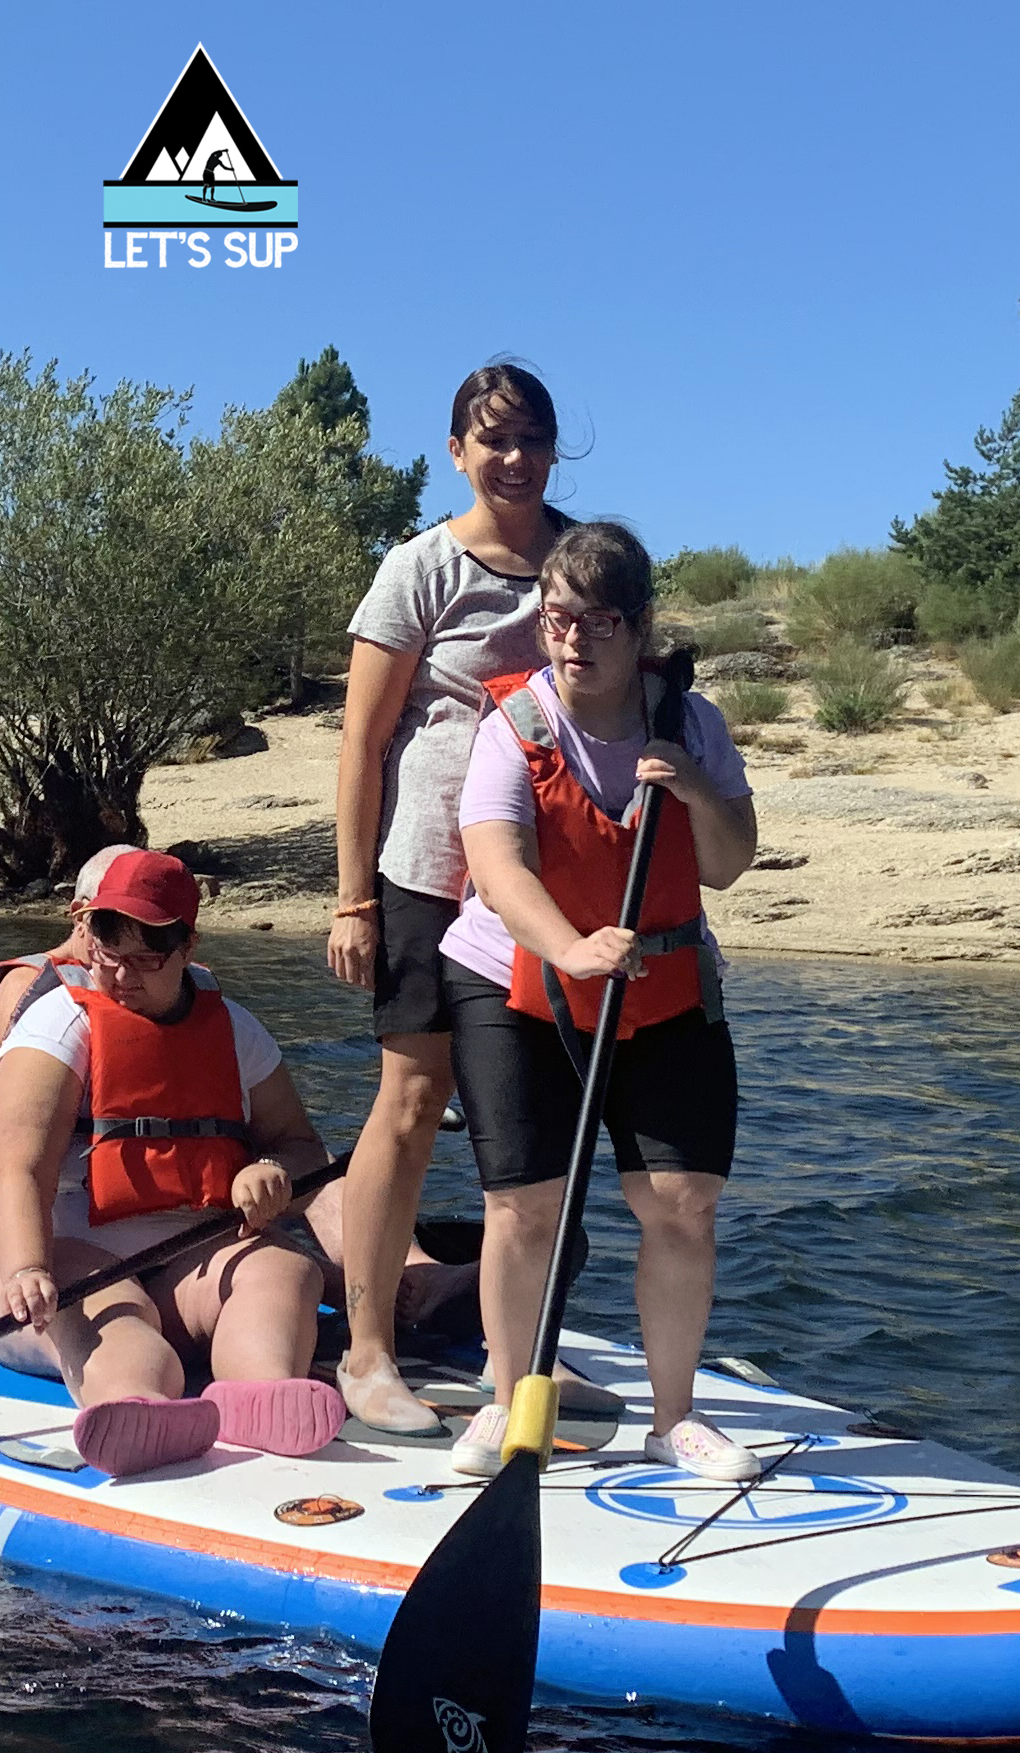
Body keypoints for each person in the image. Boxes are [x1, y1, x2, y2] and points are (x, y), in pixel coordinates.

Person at [443, 522, 760, 1481]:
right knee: (526, 1206)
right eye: (556, 619)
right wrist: (571, 949)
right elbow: (497, 866)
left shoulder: (692, 725)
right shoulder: (513, 726)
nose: (573, 639)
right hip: (518, 979)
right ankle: (507, 1404)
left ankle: (675, 1419)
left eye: (598, 621)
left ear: (640, 626)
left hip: (663, 985)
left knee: (681, 1202)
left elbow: (728, 864)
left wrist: (695, 791)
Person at [326, 363, 570, 1435]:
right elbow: (363, 742)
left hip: (552, 882)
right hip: (429, 871)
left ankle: (527, 1360)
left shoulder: (582, 561)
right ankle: (367, 1349)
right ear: (458, 451)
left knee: (538, 1118)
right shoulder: (417, 567)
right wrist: (353, 900)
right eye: (493, 439)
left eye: (531, 439)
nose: (514, 459)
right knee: (414, 1100)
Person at [0, 852, 343, 1477]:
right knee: (111, 1309)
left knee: (283, 1270)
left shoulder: (235, 1030)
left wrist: (271, 1168)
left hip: (187, 1259)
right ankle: (135, 1402)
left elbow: (297, 1143)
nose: (119, 975)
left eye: (145, 959)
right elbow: (20, 1170)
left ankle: (261, 1392)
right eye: (107, 951)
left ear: (187, 947)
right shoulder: (57, 1025)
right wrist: (27, 1267)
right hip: (55, 1257)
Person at [0, 843, 144, 1169]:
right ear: (80, 915)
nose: (133, 935)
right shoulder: (31, 987)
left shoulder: (129, 984)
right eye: (115, 921)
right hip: (38, 1179)